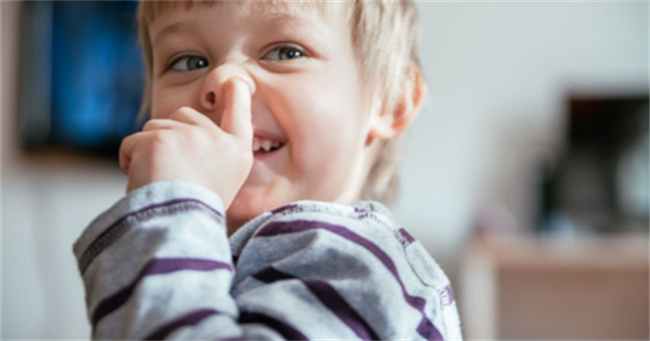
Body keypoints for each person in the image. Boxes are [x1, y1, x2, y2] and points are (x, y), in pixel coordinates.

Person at [73, 1, 463, 339]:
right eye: (188, 61)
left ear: (391, 100)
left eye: (285, 52)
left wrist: (167, 214)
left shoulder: (357, 267)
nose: (222, 79)